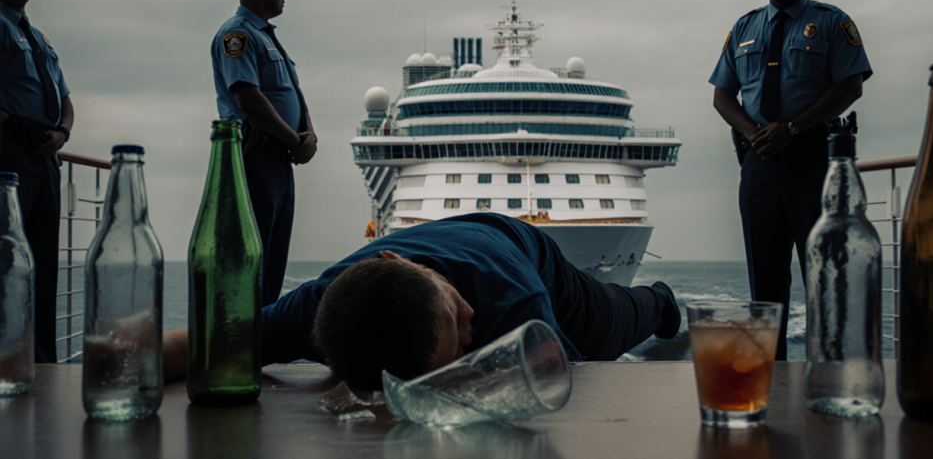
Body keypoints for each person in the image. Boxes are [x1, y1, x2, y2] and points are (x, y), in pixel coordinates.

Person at [164, 213, 681, 391]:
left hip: (525, 257)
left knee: (612, 329)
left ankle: (661, 302)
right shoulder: (321, 308)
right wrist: (116, 357)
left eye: (456, 312)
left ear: (398, 261)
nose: (472, 325)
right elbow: (205, 344)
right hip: (475, 256)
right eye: (460, 348)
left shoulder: (507, 302)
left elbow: (562, 381)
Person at [709, 0, 872, 360]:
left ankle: (829, 373)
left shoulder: (832, 22)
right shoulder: (743, 29)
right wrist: (754, 133)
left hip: (812, 159)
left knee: (823, 276)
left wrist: (794, 128)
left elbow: (851, 85)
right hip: (759, 163)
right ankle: (772, 380)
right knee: (765, 283)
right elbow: (722, 95)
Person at [211, 0, 316, 306]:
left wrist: (309, 133)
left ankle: (260, 348)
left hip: (280, 159)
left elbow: (292, 94)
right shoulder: (238, 35)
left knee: (272, 262)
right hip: (256, 156)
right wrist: (294, 140)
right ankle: (239, 349)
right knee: (249, 260)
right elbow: (249, 100)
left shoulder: (266, 36)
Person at [0, 0, 75, 363]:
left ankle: (42, 362)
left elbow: (66, 99)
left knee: (44, 263)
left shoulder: (42, 39)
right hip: (10, 151)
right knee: (8, 261)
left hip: (46, 155)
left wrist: (62, 132)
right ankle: (7, 361)